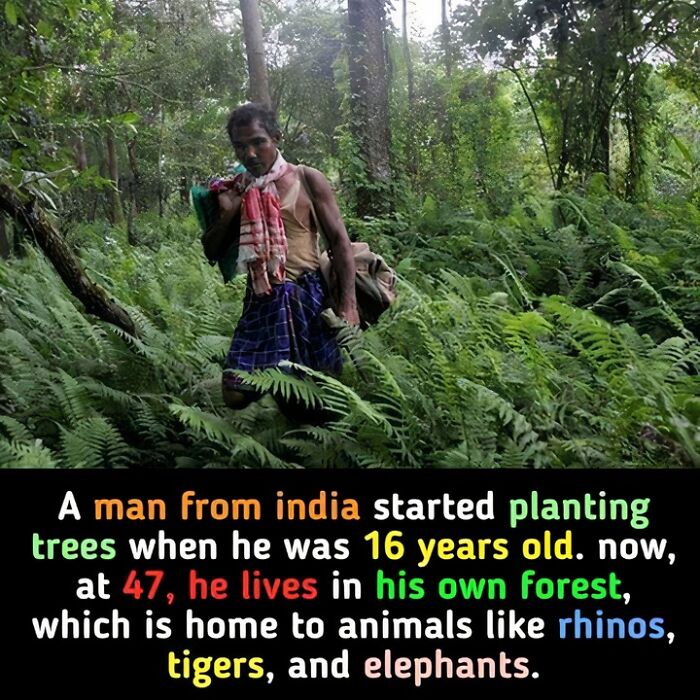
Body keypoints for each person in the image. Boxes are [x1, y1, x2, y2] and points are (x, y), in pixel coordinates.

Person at [202, 102, 359, 412]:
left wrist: (348, 305)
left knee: (318, 391)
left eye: (258, 142)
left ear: (276, 137)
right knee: (235, 391)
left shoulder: (307, 179)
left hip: (307, 295)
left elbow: (340, 242)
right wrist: (237, 206)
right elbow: (211, 250)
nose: (249, 154)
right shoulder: (235, 190)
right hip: (262, 300)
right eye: (240, 146)